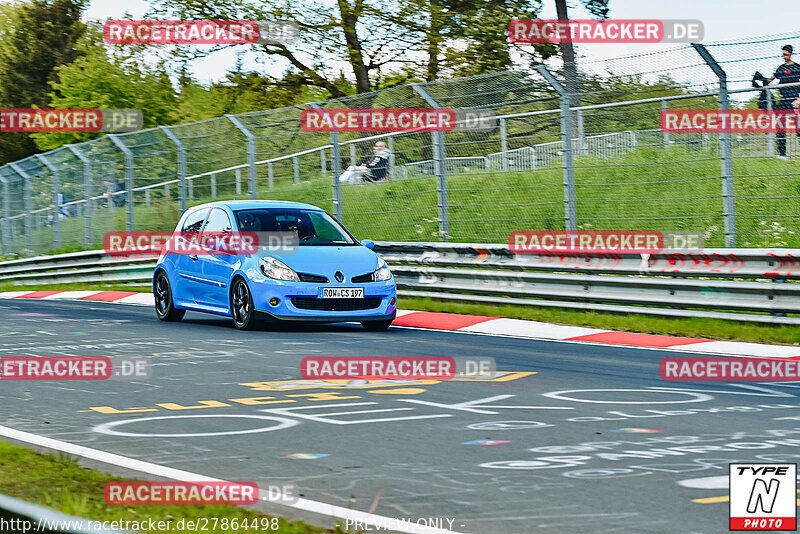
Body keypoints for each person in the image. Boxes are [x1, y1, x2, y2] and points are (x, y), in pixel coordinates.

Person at [766, 45, 800, 158]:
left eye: (786, 54)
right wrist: (761, 79)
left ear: (791, 54)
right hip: (783, 101)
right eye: (783, 54)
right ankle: (782, 153)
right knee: (780, 127)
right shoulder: (780, 68)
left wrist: (799, 100)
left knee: (798, 127)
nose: (784, 56)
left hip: (794, 101)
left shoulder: (797, 68)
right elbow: (771, 79)